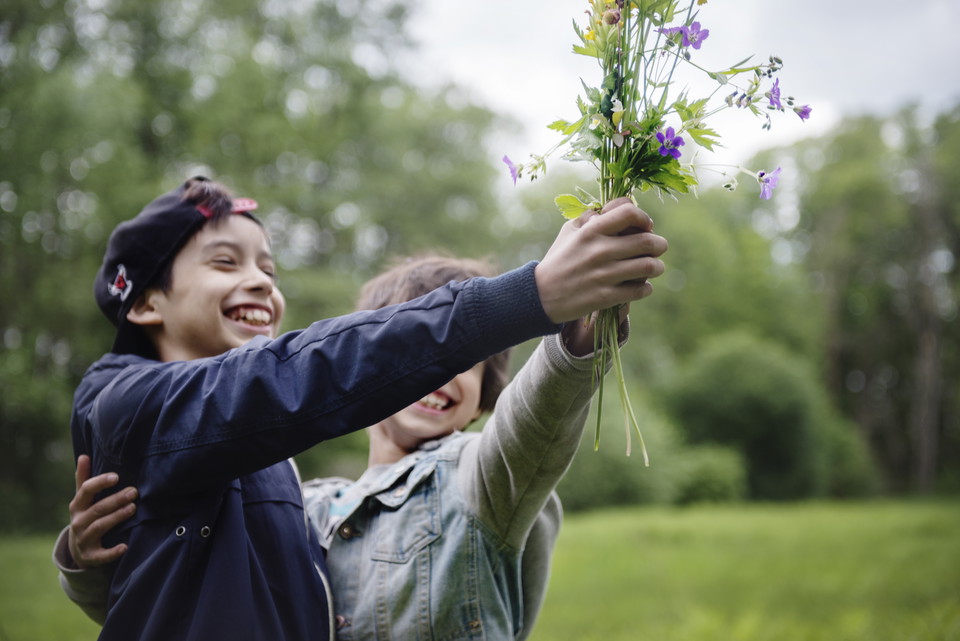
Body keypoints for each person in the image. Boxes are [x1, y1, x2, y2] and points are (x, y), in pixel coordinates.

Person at [56, 173, 665, 641]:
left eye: (270, 268)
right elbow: (306, 373)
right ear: (143, 305)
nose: (265, 282)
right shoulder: (126, 404)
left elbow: (532, 427)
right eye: (226, 261)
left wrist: (575, 339)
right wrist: (530, 295)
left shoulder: (286, 474)